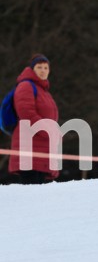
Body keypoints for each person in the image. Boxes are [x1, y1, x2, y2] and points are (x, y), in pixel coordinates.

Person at [9, 54, 59, 184]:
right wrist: (46, 131)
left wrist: (55, 133)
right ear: (32, 69)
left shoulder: (43, 90)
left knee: (39, 192)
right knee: (31, 191)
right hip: (29, 144)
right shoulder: (26, 86)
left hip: (41, 145)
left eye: (46, 68)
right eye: (39, 67)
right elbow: (26, 113)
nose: (43, 70)